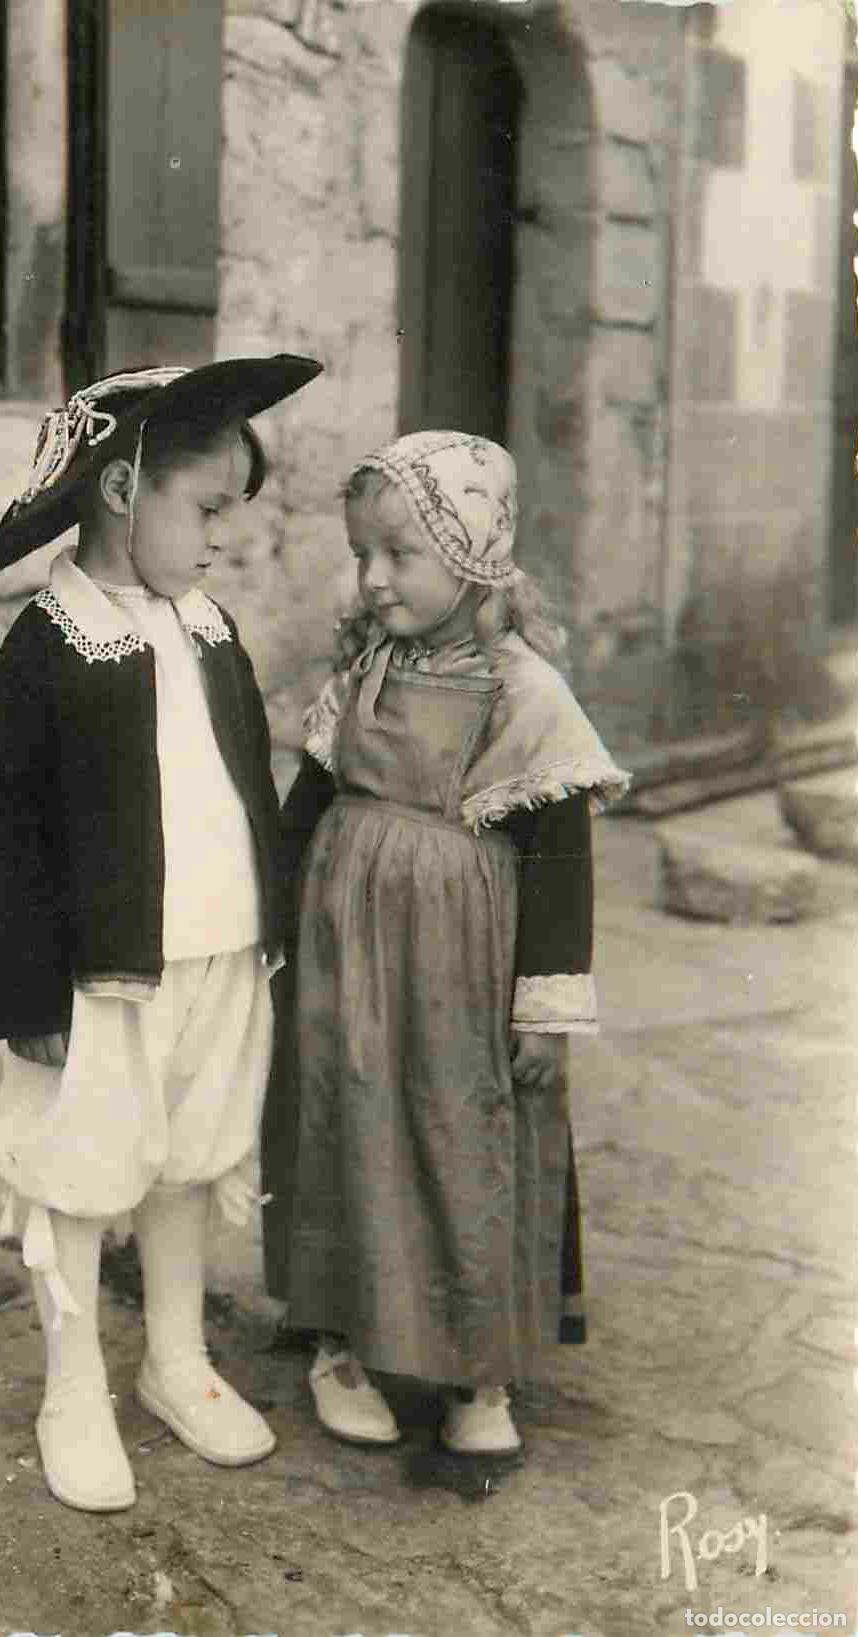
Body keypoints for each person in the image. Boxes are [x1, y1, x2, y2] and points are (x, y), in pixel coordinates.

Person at [0, 355, 322, 1512]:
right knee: (81, 1168)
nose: (223, 536)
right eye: (206, 508)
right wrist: (27, 998)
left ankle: (175, 1357)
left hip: (220, 947)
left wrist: (271, 919)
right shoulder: (48, 651)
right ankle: (73, 1385)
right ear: (121, 490)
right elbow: (10, 838)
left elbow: (242, 779)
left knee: (190, 1155)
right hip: (105, 971)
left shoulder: (208, 628)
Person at [262, 429, 629, 1461]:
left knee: (461, 1139)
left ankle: (476, 1364)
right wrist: (272, 926)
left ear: (472, 553)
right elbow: (307, 803)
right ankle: (340, 1340)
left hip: (460, 972)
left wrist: (545, 1008)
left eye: (399, 553)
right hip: (344, 957)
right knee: (343, 1126)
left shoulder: (525, 694)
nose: (373, 578)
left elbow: (560, 862)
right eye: (361, 554)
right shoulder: (367, 672)